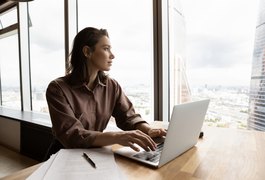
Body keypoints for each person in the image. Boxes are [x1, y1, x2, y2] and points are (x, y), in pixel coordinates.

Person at [45, 27, 166, 157]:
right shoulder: (57, 89)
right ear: (87, 52)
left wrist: (149, 130)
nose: (112, 55)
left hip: (95, 154)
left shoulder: (111, 86)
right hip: (63, 156)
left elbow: (128, 117)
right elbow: (72, 135)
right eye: (106, 48)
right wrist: (117, 137)